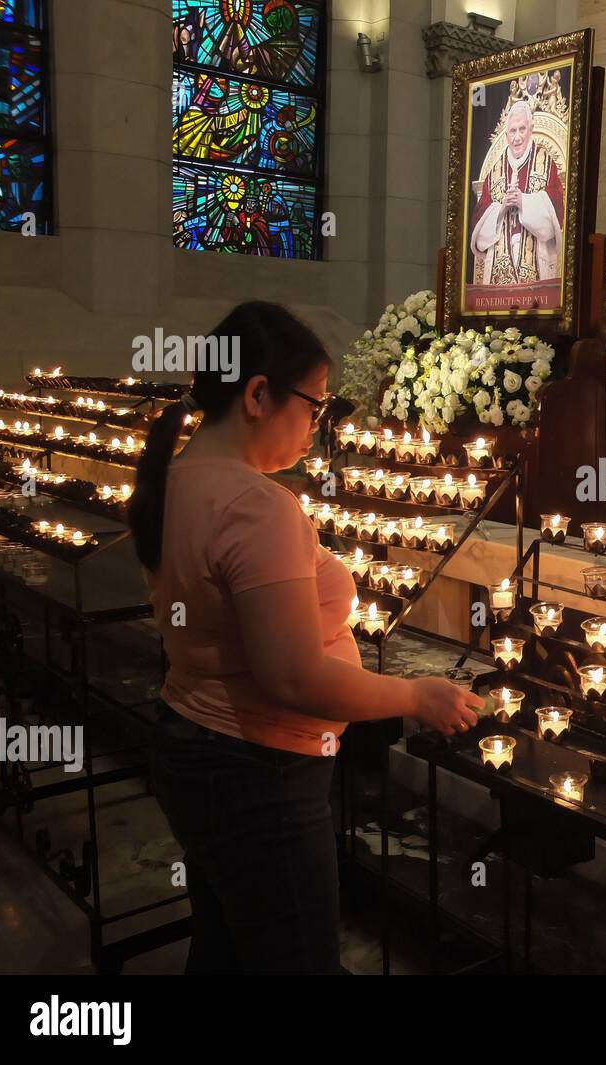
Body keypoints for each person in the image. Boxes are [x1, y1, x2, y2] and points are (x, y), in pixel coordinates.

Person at [129, 301, 481, 974]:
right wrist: (416, 694)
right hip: (260, 772)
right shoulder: (257, 507)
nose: (317, 427)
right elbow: (291, 676)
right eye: (313, 405)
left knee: (228, 949)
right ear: (258, 394)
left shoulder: (174, 482)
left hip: (193, 746)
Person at [469, 98, 565, 288]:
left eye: (522, 129)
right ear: (506, 135)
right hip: (499, 264)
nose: (517, 137)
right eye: (513, 131)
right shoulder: (495, 171)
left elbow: (558, 216)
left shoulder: (546, 163)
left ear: (531, 130)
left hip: (536, 259)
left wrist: (525, 202)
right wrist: (501, 209)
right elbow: (478, 228)